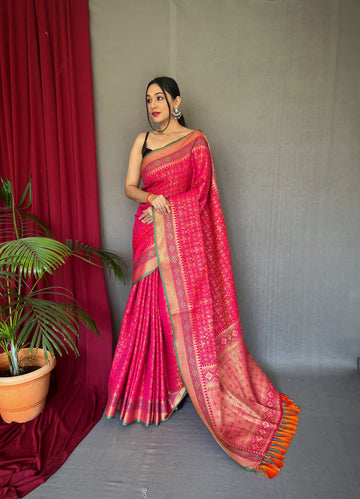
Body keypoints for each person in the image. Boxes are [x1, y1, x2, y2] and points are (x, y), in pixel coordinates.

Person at [105, 76, 300, 478]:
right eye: (148, 99)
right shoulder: (141, 141)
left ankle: (179, 387)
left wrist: (169, 206)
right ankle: (150, 393)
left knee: (174, 311)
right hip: (148, 235)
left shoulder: (197, 142)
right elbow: (128, 187)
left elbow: (201, 195)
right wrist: (151, 197)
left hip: (177, 235)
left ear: (176, 101)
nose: (153, 105)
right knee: (151, 311)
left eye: (160, 97)